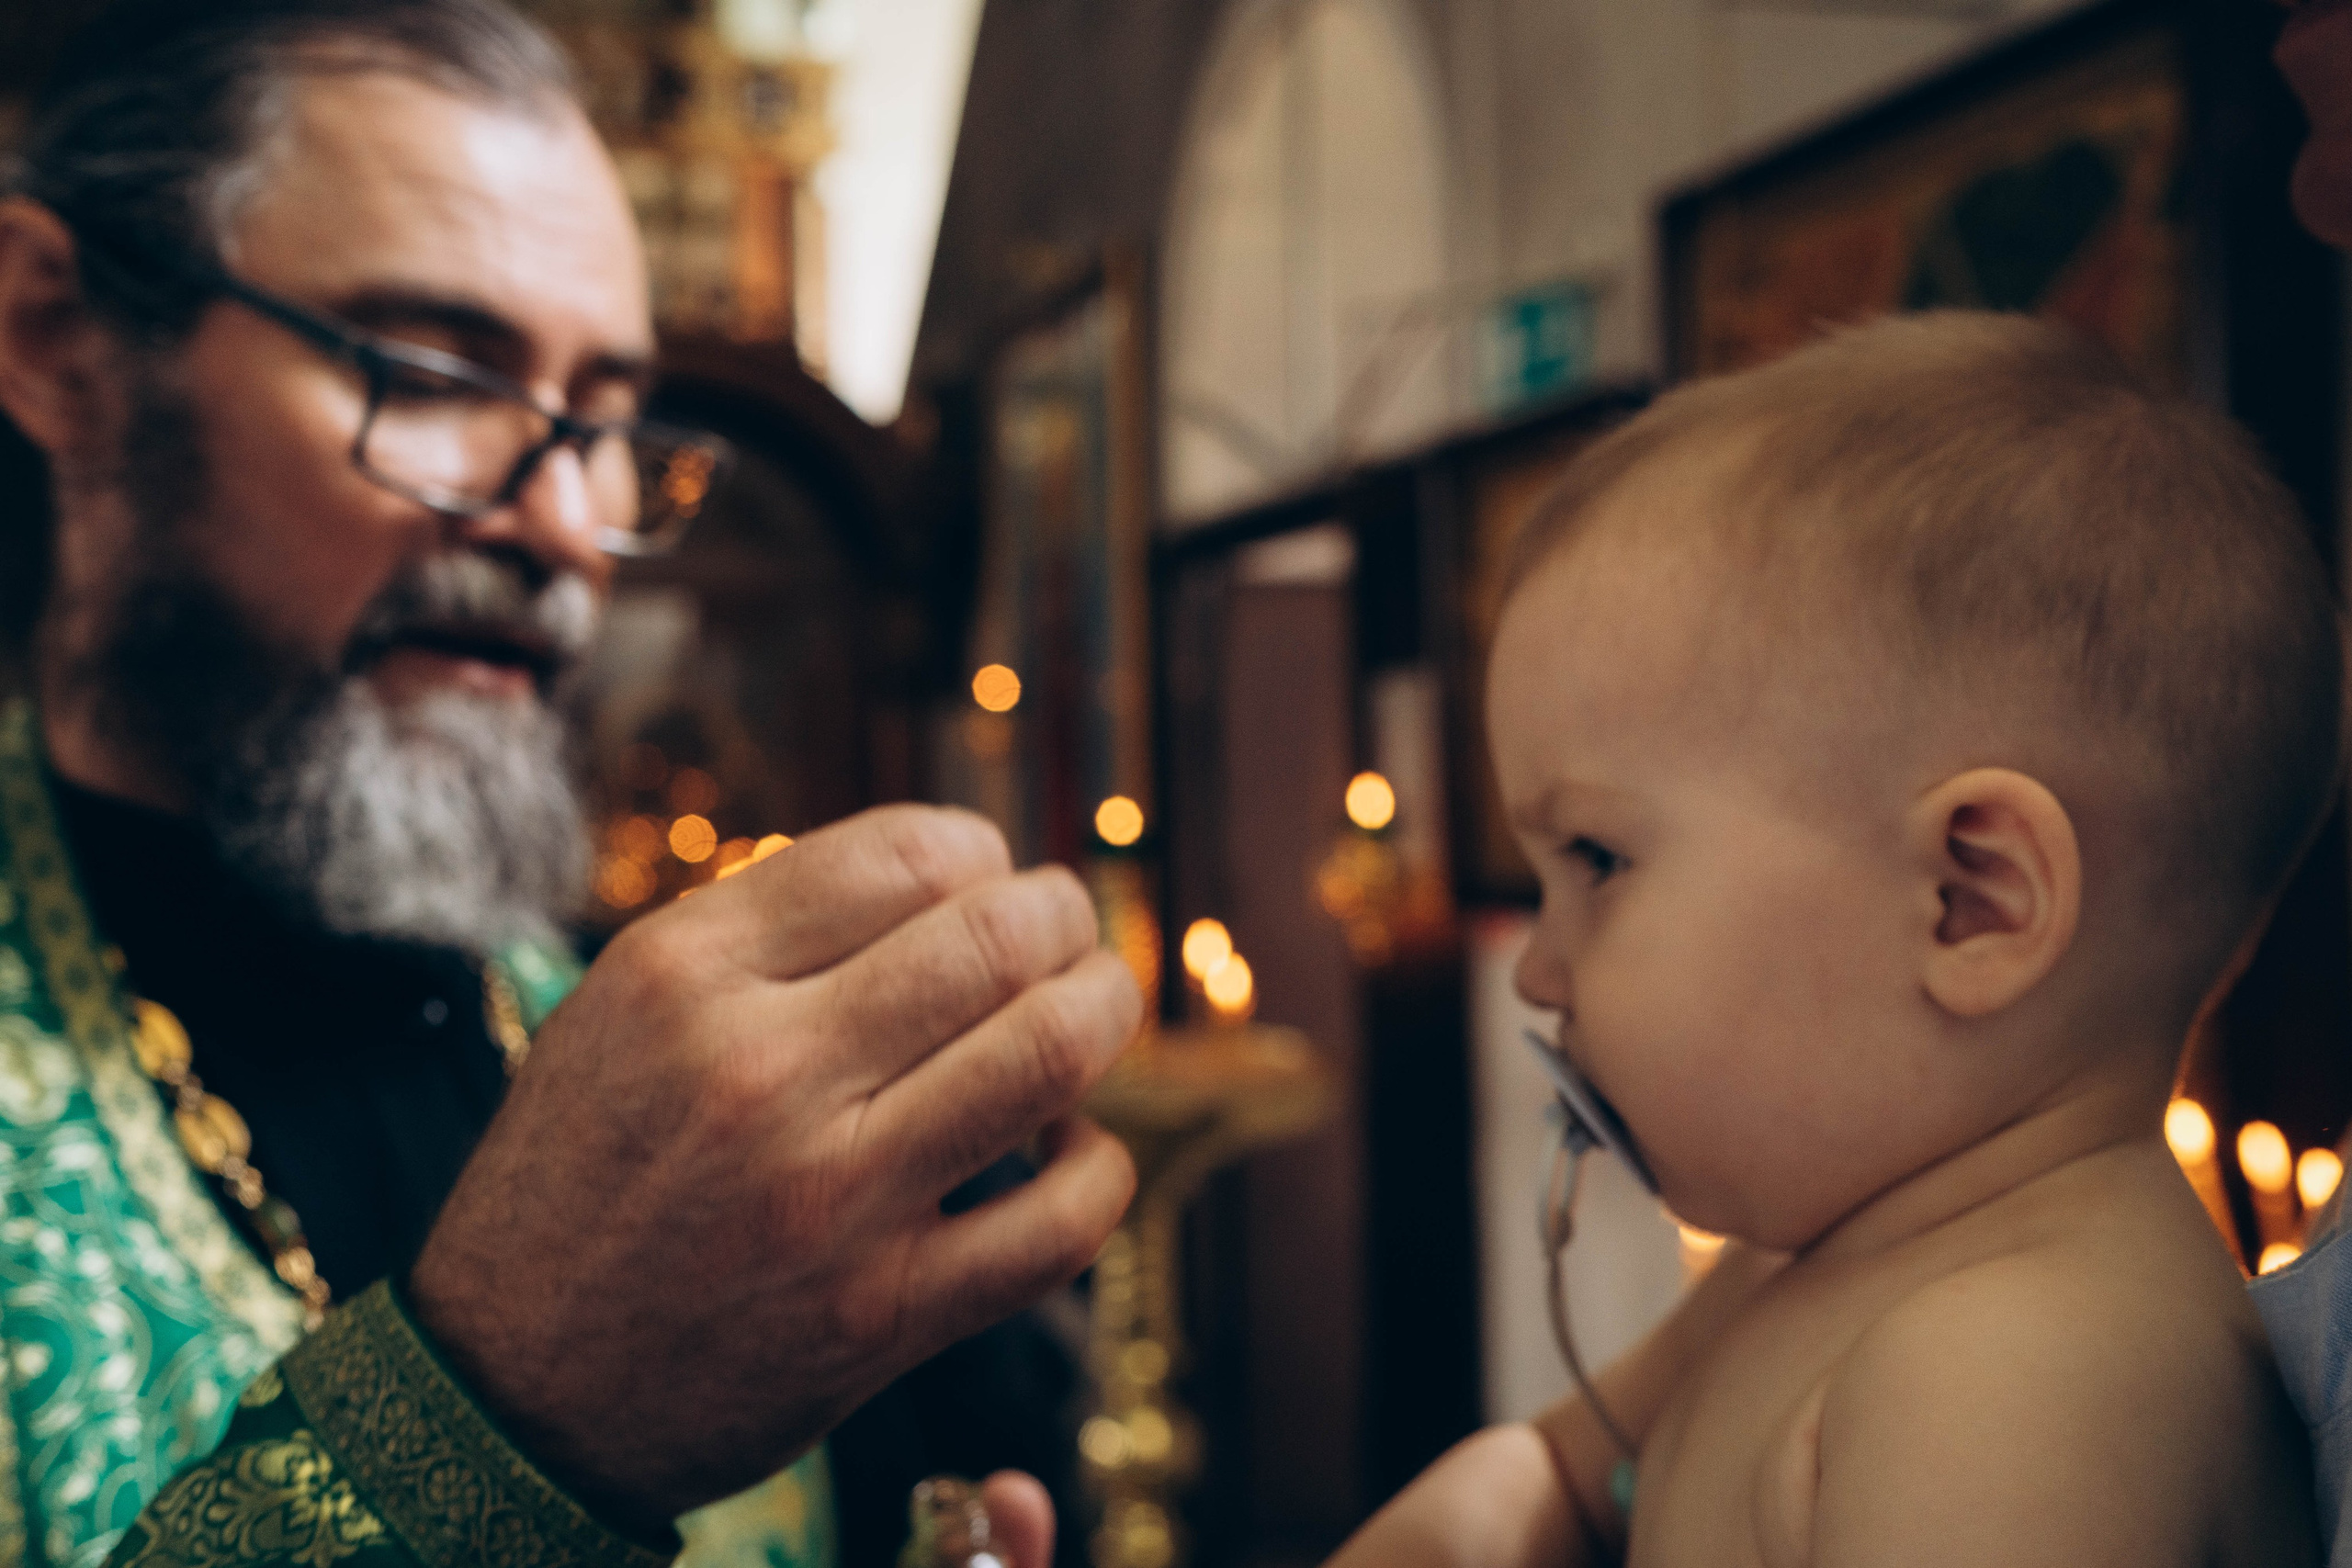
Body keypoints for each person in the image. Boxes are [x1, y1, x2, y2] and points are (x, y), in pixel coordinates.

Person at [0, 2, 1138, 1565]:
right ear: (59, 342)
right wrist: (500, 1422)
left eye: (608, 423)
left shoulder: (639, 1045)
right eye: (428, 370)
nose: (566, 523)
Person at [1329, 310, 2335, 1565]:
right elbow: (1562, 1483)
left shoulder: (2012, 1378)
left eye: (1597, 860)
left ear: (1971, 902)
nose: (1536, 971)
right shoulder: (1799, 1279)